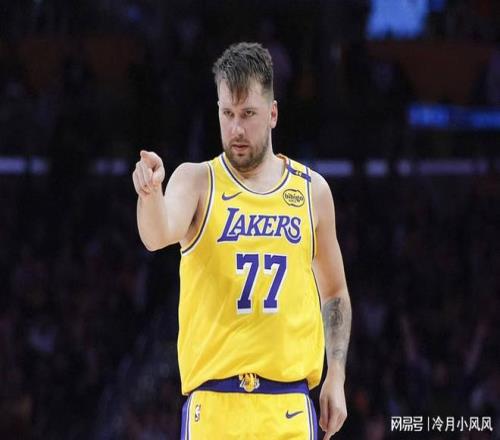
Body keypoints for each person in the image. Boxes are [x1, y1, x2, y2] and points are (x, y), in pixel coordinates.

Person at [132, 42, 352, 440]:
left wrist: (335, 375)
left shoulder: (312, 191)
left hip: (288, 407)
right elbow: (155, 235)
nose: (236, 129)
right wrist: (149, 194)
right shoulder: (196, 181)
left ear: (272, 114)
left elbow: (334, 291)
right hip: (214, 407)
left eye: (248, 114)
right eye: (227, 113)